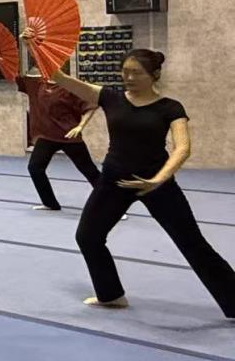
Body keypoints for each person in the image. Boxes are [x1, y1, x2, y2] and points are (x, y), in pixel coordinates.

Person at [49, 49, 235, 317]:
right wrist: (34, 46)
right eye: (125, 72)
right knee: (88, 237)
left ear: (154, 74)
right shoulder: (109, 97)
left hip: (157, 183)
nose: (129, 77)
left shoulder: (170, 107)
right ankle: (111, 295)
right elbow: (59, 77)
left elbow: (183, 148)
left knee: (192, 243)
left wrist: (158, 179)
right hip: (114, 182)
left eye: (136, 73)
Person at [0, 39, 100, 211]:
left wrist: (80, 127)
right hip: (46, 136)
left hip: (68, 136)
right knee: (35, 168)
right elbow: (12, 75)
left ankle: (113, 206)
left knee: (89, 171)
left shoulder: (71, 87)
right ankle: (50, 203)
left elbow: (90, 107)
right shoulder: (36, 84)